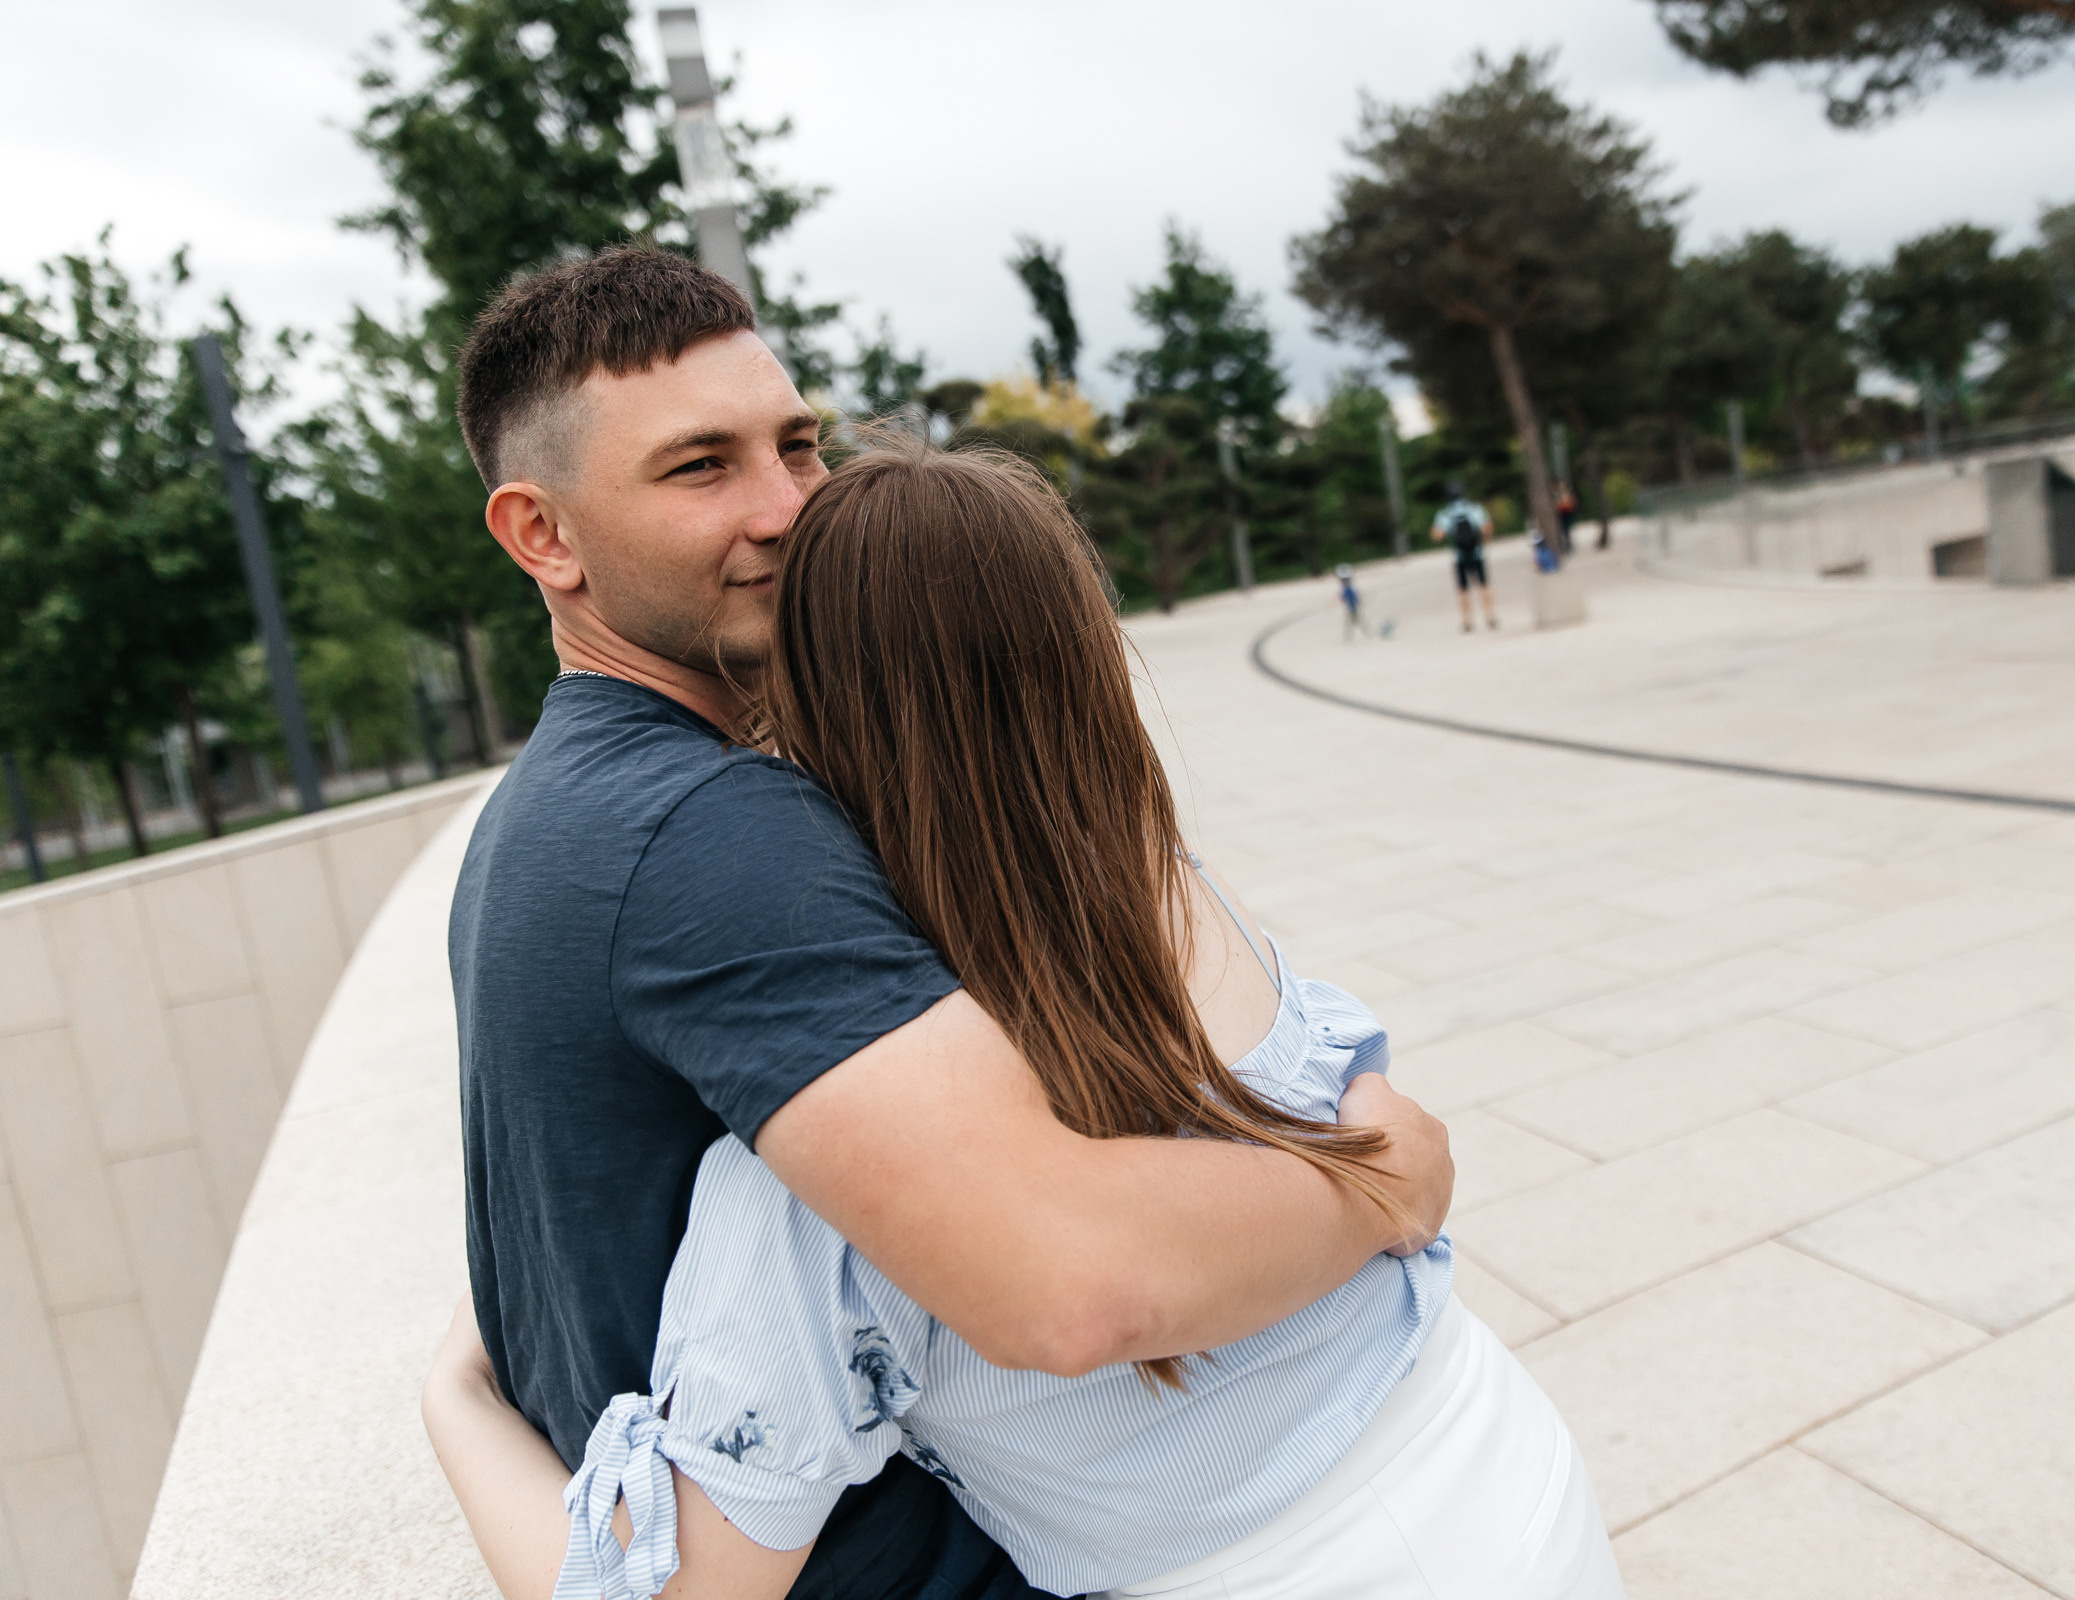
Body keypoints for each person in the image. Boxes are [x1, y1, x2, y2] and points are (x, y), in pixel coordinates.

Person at [423, 437, 1621, 1600]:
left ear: (807, 710)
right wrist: (1378, 1177)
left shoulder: (841, 1190)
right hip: (1502, 1461)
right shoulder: (1179, 900)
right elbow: (1358, 1094)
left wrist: (459, 1403)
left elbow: (671, 1594)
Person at [1430, 482, 1498, 633]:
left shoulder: (1445, 514)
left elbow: (1436, 535)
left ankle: (1467, 621)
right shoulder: (1473, 508)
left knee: (1463, 588)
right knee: (1484, 584)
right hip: (1477, 552)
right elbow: (1486, 527)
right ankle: (1490, 616)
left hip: (1459, 555)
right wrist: (1485, 541)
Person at [1335, 562, 1365, 640]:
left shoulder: (1347, 588)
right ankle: (1349, 636)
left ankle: (1348, 636)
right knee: (1356, 619)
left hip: (1352, 606)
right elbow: (1353, 595)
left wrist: (1343, 599)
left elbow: (1347, 596)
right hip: (1352, 605)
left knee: (1353, 620)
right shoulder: (1348, 587)